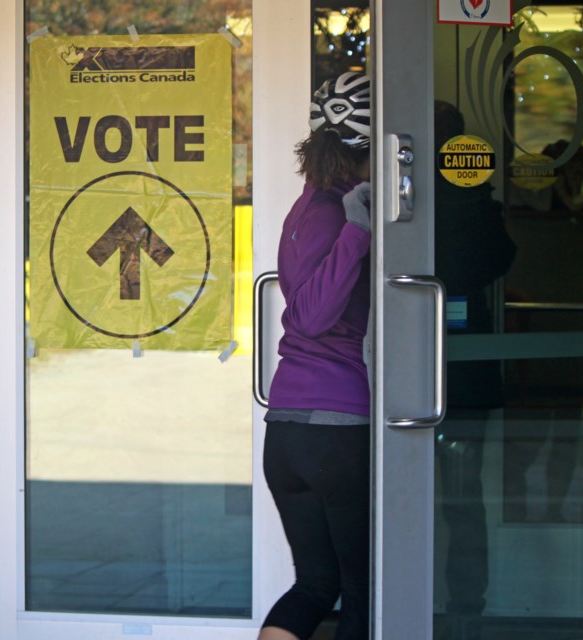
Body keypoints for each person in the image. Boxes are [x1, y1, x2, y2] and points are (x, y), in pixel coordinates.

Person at [258, 71, 373, 640]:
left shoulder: (305, 208)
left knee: (313, 585)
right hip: (336, 430)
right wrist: (360, 232)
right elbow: (309, 314)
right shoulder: (337, 215)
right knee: (361, 594)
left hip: (287, 432)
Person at [432, 100, 516, 640]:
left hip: (419, 361)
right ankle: (467, 608)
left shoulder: (411, 197)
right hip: (465, 364)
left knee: (398, 489)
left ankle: (389, 599)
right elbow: (500, 260)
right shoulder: (474, 200)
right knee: (463, 499)